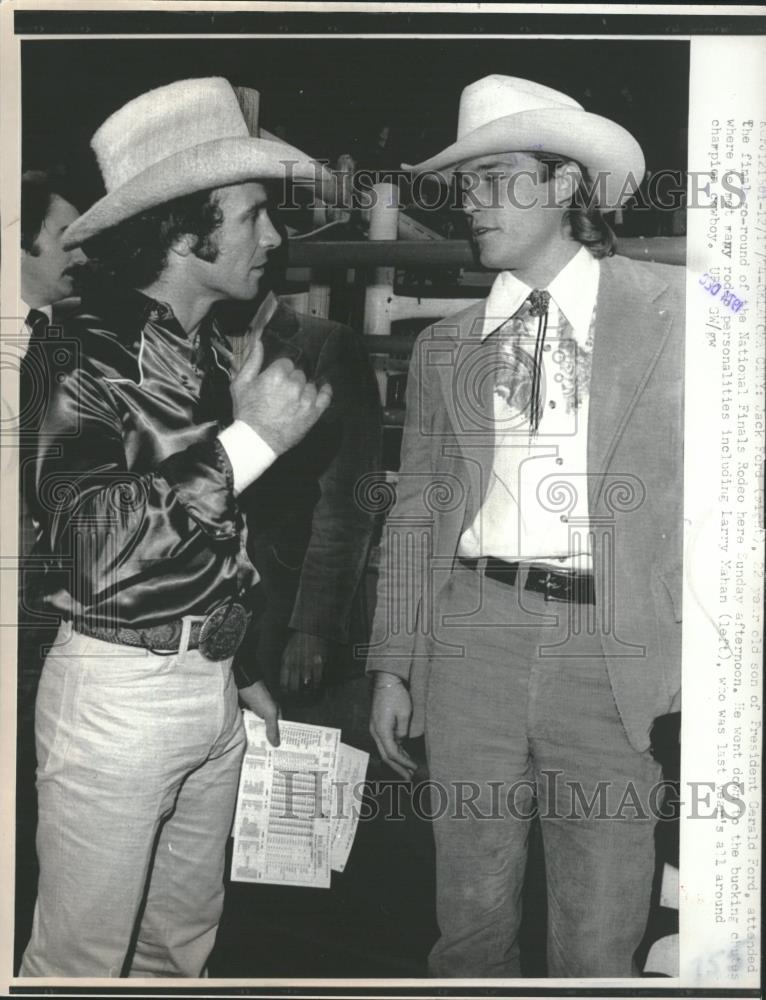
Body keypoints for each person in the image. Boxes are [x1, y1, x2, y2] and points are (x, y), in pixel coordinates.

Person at [367, 75, 684, 977]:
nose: (472, 203)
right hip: (472, 639)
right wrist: (395, 661)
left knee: (599, 937)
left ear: (566, 185)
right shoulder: (445, 345)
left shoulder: (683, 314)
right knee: (467, 928)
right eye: (465, 184)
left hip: (615, 653)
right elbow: (416, 510)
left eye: (497, 176)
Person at [19, 76, 333, 978]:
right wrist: (251, 443)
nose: (272, 239)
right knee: (78, 964)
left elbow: (216, 535)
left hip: (210, 689)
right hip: (116, 695)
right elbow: (91, 544)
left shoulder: (214, 348)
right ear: (186, 230)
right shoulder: (72, 347)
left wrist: (240, 672)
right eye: (251, 217)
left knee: (176, 957)